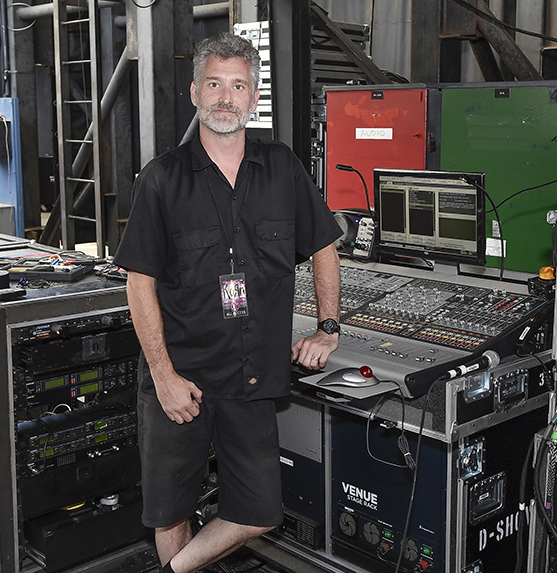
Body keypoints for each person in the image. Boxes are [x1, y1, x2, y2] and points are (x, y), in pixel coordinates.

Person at [113, 32, 342, 573]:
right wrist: (164, 376)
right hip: (181, 378)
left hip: (252, 381)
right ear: (195, 91)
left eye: (238, 86)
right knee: (171, 514)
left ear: (254, 97)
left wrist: (329, 326)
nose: (225, 97)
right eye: (214, 84)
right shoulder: (162, 179)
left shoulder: (282, 167)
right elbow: (138, 283)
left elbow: (325, 245)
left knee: (261, 511)